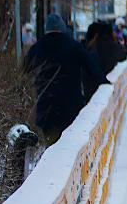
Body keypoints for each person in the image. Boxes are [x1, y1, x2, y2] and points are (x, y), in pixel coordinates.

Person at [25, 13, 106, 143]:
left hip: (46, 107)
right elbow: (91, 68)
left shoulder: (37, 48)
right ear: (62, 28)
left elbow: (24, 72)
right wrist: (105, 83)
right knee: (70, 143)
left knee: (51, 145)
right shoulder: (73, 46)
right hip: (70, 105)